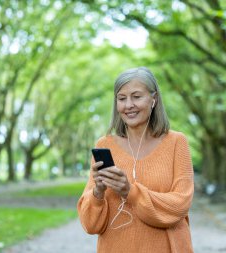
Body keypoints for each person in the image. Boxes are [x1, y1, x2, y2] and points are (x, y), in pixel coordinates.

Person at [77, 67, 194, 253]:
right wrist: (98, 192)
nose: (128, 105)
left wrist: (129, 191)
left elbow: (180, 205)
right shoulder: (105, 145)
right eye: (122, 99)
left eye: (136, 96)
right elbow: (90, 225)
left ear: (153, 99)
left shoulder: (176, 142)